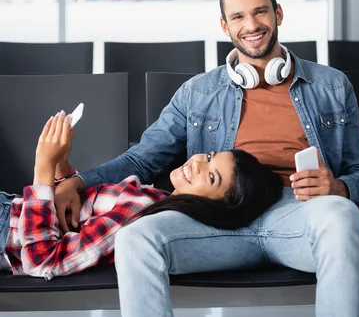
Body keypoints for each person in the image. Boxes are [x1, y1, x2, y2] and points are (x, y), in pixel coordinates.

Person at [55, 0, 359, 317]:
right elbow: (143, 159)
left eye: (260, 12)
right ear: (225, 27)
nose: (251, 25)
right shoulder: (198, 93)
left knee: (343, 216)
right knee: (136, 238)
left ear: (278, 13)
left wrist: (339, 187)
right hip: (218, 219)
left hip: (297, 212)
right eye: (238, 16)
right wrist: (78, 182)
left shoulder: (331, 85)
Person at [0, 112, 283, 279]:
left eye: (210, 176)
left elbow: (42, 260)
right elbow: (75, 218)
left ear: (217, 205)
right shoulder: (155, 197)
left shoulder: (141, 213)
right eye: (209, 156)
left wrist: (43, 167)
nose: (197, 163)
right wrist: (62, 168)